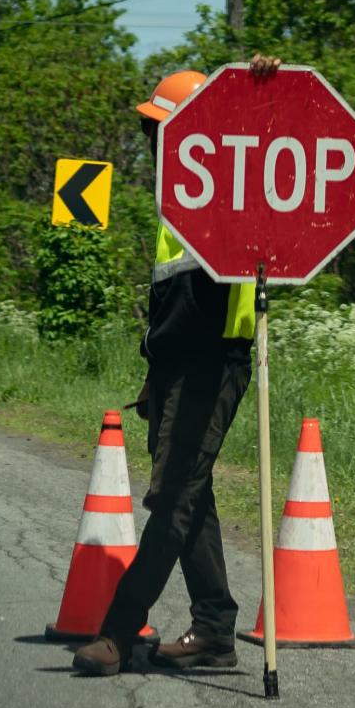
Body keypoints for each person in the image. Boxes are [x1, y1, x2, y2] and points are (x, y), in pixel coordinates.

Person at [72, 54, 281, 676]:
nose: (154, 143)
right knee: (194, 496)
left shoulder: (238, 186)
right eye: (151, 132)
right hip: (173, 366)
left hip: (214, 363)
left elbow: (273, 144)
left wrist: (255, 87)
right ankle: (215, 630)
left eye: (161, 129)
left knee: (172, 501)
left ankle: (117, 630)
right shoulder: (178, 196)